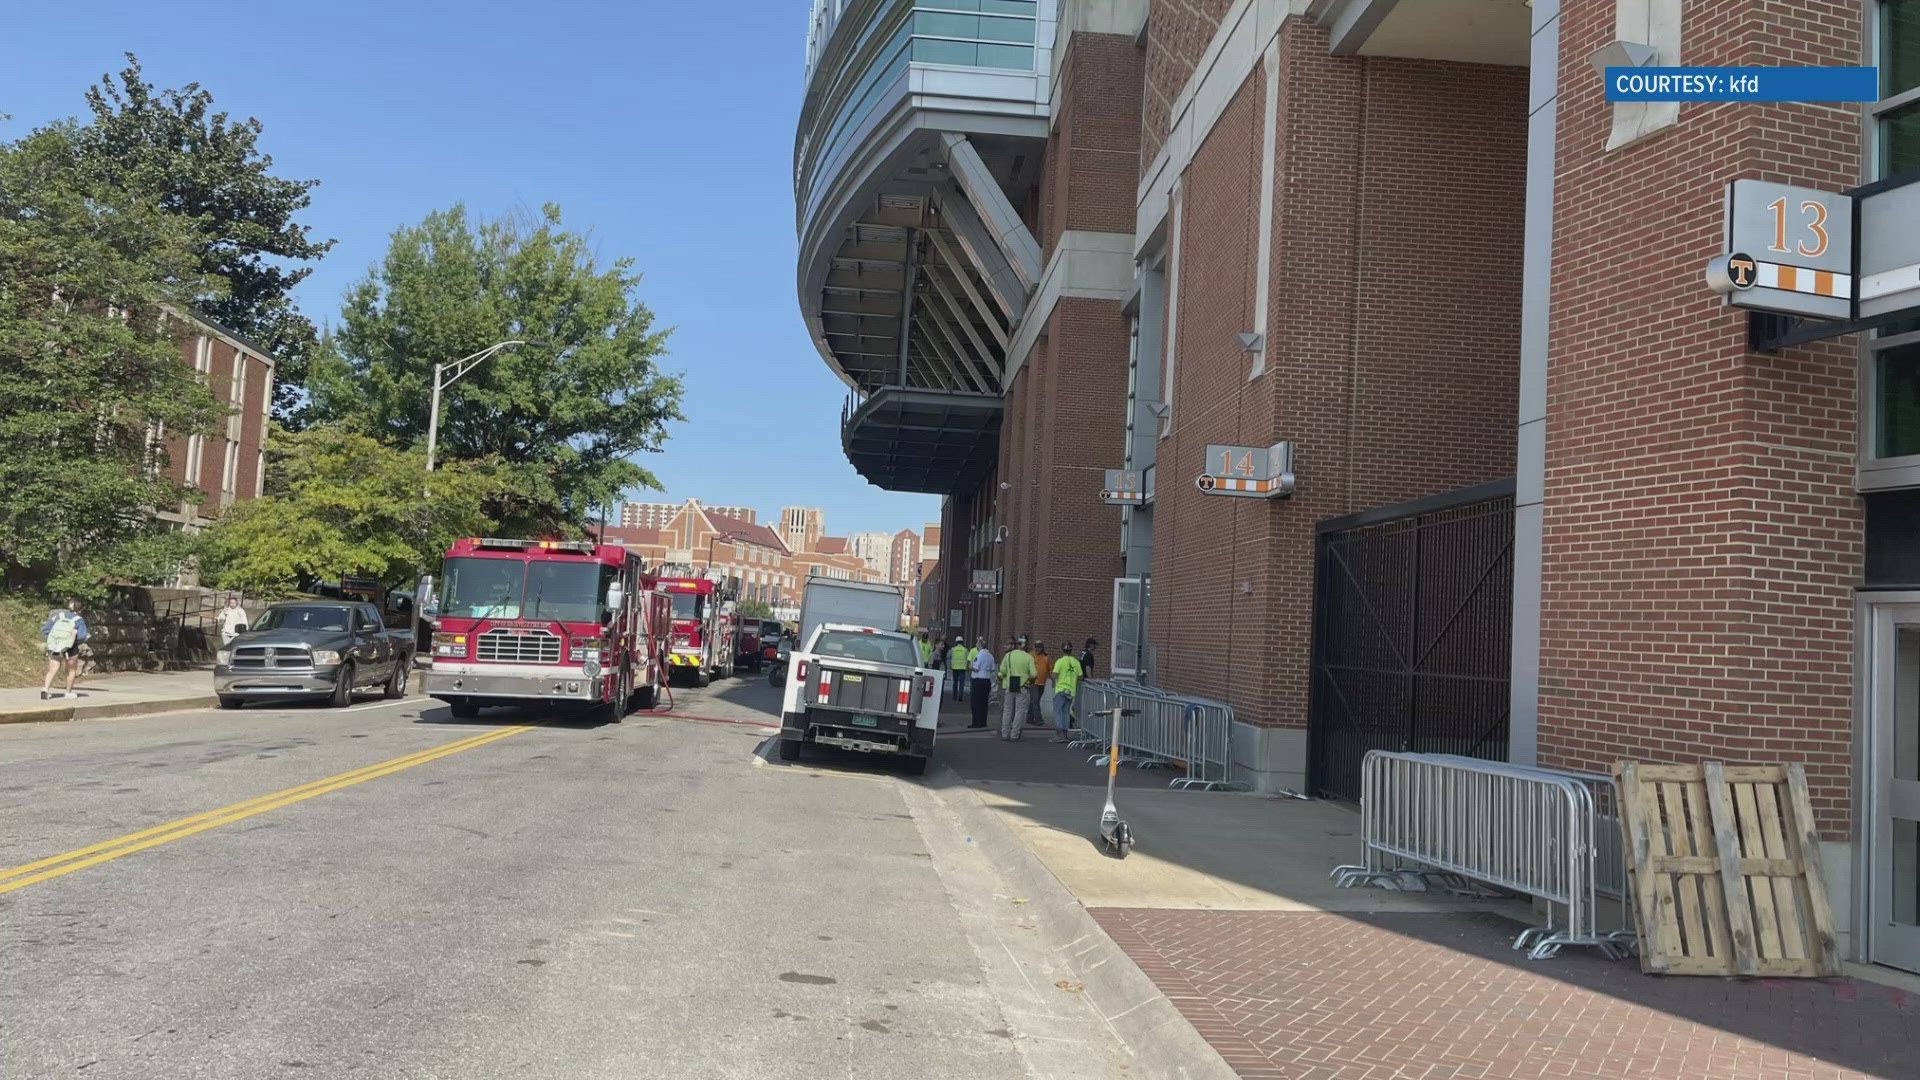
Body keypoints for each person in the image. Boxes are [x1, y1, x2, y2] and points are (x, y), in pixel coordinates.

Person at [40, 599, 90, 701]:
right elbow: (82, 636)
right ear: (80, 609)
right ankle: (68, 693)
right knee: (71, 671)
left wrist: (54, 639)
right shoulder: (79, 620)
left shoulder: (59, 616)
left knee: (52, 669)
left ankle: (45, 690)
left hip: (56, 646)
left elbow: (45, 630)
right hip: (70, 648)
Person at [998, 636, 1035, 741]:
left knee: (1007, 710)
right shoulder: (1029, 657)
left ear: (1017, 645)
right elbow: (1034, 674)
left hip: (1010, 684)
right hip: (1023, 685)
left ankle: (1005, 733)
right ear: (1025, 646)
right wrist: (1029, 681)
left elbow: (1002, 672)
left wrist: (999, 679)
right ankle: (1014, 734)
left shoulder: (1008, 656)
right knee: (1020, 711)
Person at [1050, 641, 1084, 743]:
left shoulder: (1060, 661)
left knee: (1058, 712)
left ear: (1062, 650)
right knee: (1066, 712)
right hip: (1071, 691)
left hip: (1061, 690)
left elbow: (1054, 675)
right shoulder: (1076, 662)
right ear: (1071, 650)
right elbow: (1081, 676)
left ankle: (1059, 734)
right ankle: (1065, 735)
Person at [967, 636, 997, 729]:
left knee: (976, 703)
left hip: (978, 680)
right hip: (986, 680)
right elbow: (993, 669)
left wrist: (970, 666)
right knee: (984, 703)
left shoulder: (979, 655)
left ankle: (976, 722)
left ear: (979, 646)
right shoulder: (990, 656)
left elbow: (976, 668)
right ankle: (983, 722)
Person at [1028, 641, 1052, 728]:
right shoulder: (1031, 655)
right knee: (1035, 700)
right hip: (1033, 682)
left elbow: (1049, 669)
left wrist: (1052, 680)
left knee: (1034, 700)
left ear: (1042, 648)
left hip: (1042, 682)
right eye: (1036, 647)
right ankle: (1039, 719)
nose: (1037, 649)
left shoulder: (1046, 657)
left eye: (1039, 647)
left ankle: (1029, 718)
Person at [948, 637, 970, 701]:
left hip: (954, 668)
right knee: (962, 683)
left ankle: (954, 697)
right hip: (962, 668)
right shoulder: (965, 650)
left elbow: (948, 656)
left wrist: (950, 665)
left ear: (956, 642)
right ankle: (960, 696)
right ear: (962, 642)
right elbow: (968, 658)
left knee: (955, 682)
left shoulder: (953, 649)